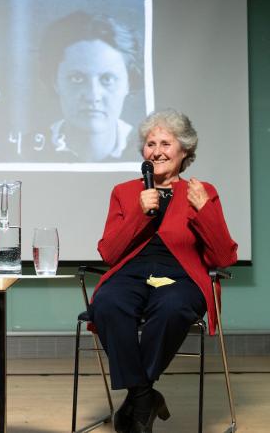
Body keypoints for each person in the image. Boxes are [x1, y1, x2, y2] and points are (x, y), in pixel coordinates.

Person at [89, 108, 237, 432]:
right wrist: (140, 213)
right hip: (132, 271)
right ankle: (144, 397)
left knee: (173, 306)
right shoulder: (125, 192)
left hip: (179, 272)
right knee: (108, 303)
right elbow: (109, 252)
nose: (157, 151)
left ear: (184, 151)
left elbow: (223, 256)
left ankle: (137, 400)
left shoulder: (202, 191)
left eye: (166, 143)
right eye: (150, 143)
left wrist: (205, 210)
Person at [40, 11, 142, 162]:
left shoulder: (152, 154)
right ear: (55, 82)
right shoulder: (26, 152)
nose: (93, 96)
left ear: (129, 83)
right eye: (77, 78)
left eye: (107, 79)